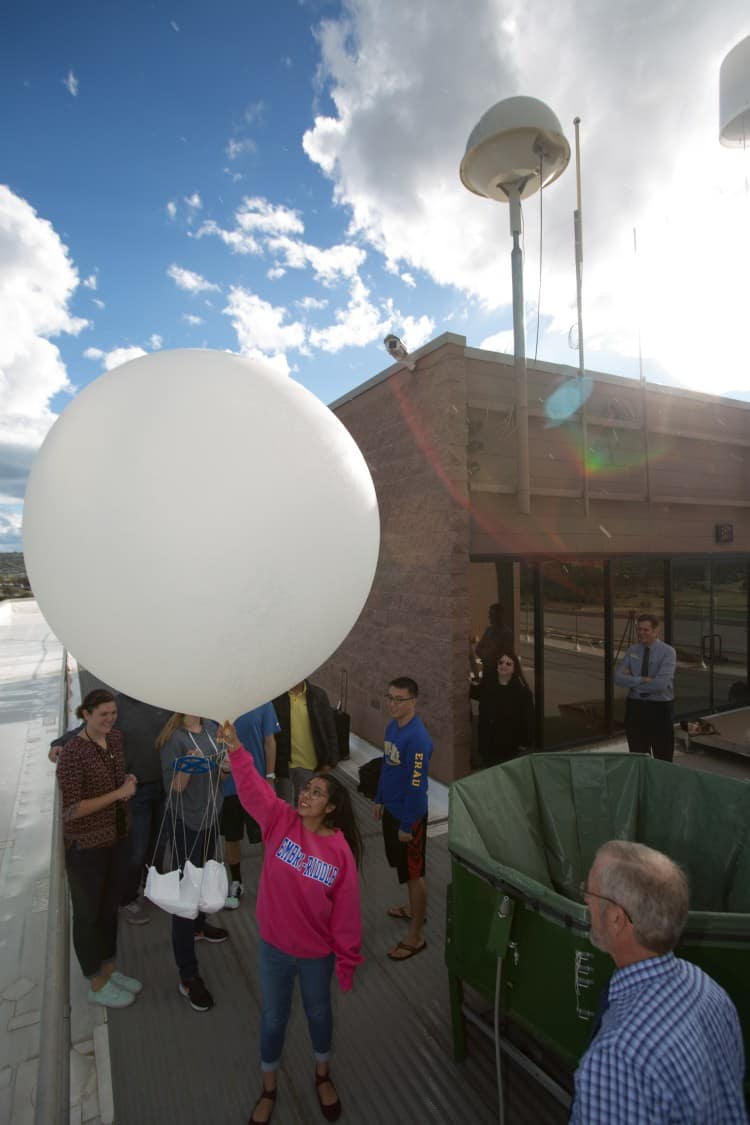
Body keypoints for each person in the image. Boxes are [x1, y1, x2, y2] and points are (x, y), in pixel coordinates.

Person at [217, 719, 362, 1125]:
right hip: (275, 949)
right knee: (274, 1017)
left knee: (319, 1013)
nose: (306, 795)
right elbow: (252, 789)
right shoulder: (280, 821)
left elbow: (347, 915)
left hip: (317, 956)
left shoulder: (339, 853)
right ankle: (269, 1087)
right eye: (307, 789)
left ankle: (322, 1074)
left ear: (331, 807)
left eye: (317, 793)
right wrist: (236, 750)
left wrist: (347, 961)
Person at [571, 840, 748, 1124]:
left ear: (617, 919)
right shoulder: (710, 991)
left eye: (588, 893)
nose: (586, 901)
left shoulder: (617, 1056)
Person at [55, 689, 142, 1009]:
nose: (109, 719)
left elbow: (115, 782)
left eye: (113, 714)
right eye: (103, 714)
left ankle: (109, 970)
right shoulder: (73, 753)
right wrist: (120, 793)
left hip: (116, 839)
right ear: (86, 713)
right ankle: (95, 981)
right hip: (86, 848)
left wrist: (126, 782)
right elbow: (71, 809)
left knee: (109, 910)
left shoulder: (116, 740)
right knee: (89, 914)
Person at [156, 713, 227, 1013]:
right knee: (186, 896)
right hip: (187, 822)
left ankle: (199, 926)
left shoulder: (212, 729)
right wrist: (187, 766)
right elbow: (175, 788)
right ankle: (188, 975)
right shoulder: (173, 740)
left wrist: (226, 768)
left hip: (212, 816)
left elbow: (221, 773)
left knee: (206, 876)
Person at [374, 676, 433, 962]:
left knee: (414, 875)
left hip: (410, 818)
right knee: (403, 869)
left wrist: (409, 825)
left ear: (413, 701)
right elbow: (388, 767)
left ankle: (415, 935)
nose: (392, 704)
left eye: (399, 699)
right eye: (390, 697)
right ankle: (413, 908)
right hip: (392, 810)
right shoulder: (392, 727)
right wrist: (379, 798)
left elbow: (417, 787)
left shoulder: (418, 739)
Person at [116, 693, 172, 924]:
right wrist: (58, 743)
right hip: (137, 791)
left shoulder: (164, 699)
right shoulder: (117, 706)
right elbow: (89, 727)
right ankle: (127, 898)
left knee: (159, 845)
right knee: (136, 849)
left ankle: (154, 889)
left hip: (164, 786)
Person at [221, 701, 281, 909]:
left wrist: (270, 777)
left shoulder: (263, 701)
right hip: (229, 786)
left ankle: (270, 883)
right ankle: (236, 882)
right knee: (231, 836)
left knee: (266, 836)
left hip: (257, 785)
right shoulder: (220, 701)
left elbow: (269, 741)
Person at [615, 614, 676, 762]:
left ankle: (661, 785)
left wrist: (632, 683)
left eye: (645, 630)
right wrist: (642, 679)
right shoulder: (632, 650)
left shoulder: (668, 652)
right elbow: (618, 678)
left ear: (656, 631)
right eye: (638, 629)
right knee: (638, 756)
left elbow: (660, 684)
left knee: (663, 757)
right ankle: (642, 784)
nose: (641, 633)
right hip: (635, 709)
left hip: (659, 709)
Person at [272, 680, 339, 803]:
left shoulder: (318, 695)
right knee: (284, 811)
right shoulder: (276, 697)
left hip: (311, 768)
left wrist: (330, 763)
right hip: (283, 768)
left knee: (307, 811)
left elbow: (330, 730)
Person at [471, 650, 534, 766]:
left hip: (509, 749)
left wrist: (524, 744)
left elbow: (528, 720)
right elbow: (475, 693)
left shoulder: (522, 692)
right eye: (501, 662)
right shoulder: (488, 685)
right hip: (487, 745)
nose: (503, 665)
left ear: (514, 669)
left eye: (508, 664)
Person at [474, 603, 515, 764]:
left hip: (500, 678)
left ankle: (497, 749)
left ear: (500, 615)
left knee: (498, 713)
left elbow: (503, 654)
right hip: (488, 676)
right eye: (489, 614)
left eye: (492, 614)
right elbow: (479, 649)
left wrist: (490, 653)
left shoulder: (506, 633)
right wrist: (488, 653)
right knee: (484, 711)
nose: (489, 617)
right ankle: (483, 749)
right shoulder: (489, 631)